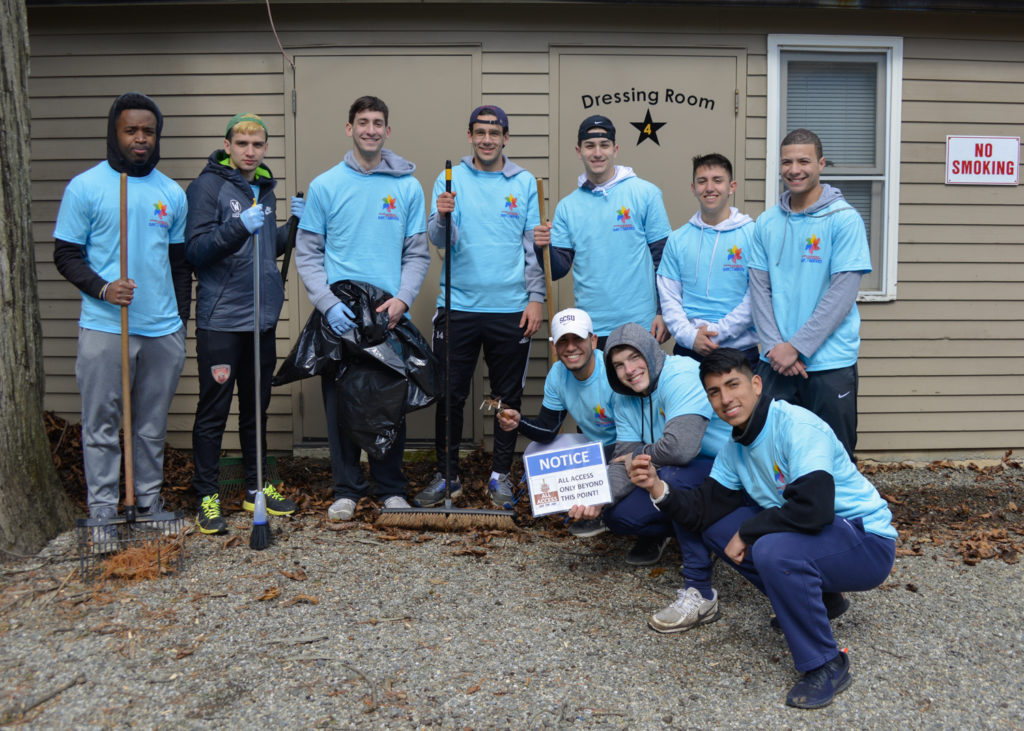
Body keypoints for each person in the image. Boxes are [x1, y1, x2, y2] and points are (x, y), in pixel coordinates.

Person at [629, 347, 896, 709]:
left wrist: (751, 530)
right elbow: (702, 510)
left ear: (756, 384)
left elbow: (814, 509)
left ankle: (827, 663)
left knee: (772, 550)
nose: (725, 399)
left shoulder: (796, 426)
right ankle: (820, 599)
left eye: (732, 385)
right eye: (714, 392)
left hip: (864, 540)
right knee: (716, 527)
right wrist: (657, 488)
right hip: (821, 538)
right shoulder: (735, 447)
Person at [52, 92, 190, 534]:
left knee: (150, 425)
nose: (140, 139)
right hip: (105, 326)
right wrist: (104, 288)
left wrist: (180, 322)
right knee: (101, 425)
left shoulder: (170, 193)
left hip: (161, 330)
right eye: (131, 130)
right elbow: (66, 254)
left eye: (148, 131)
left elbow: (179, 265)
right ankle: (104, 512)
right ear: (115, 133)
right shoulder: (86, 187)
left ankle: (148, 503)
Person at [295, 95, 428, 521]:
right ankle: (346, 489)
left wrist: (403, 298)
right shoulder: (326, 185)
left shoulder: (407, 186)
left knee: (388, 398)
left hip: (387, 311)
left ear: (388, 131)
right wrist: (327, 303)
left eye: (378, 123)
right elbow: (309, 251)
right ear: (349, 129)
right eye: (363, 122)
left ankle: (390, 488)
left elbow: (418, 254)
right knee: (340, 401)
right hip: (341, 313)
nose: (370, 129)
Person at [412, 105, 543, 509]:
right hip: (458, 306)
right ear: (469, 136)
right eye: (480, 131)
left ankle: (500, 476)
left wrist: (536, 298)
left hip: (510, 308)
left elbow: (532, 248)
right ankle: (447, 477)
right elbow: (437, 238)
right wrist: (442, 215)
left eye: (495, 132)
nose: (487, 139)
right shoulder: (450, 179)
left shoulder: (523, 183)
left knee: (507, 397)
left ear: (506, 137)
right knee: (450, 393)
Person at [185, 112, 304, 534]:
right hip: (222, 321)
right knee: (214, 410)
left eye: (258, 145)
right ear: (228, 146)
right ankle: (208, 495)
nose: (250, 151)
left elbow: (263, 249)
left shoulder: (265, 190)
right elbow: (196, 251)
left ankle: (256, 487)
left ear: (266, 148)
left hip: (261, 321)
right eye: (242, 144)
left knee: (257, 409)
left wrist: (290, 228)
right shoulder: (208, 186)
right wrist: (239, 225)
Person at [749, 128, 870, 459]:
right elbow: (759, 289)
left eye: (804, 161)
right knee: (772, 451)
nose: (794, 169)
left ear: (821, 163)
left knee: (834, 454)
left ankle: (837, 512)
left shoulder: (844, 220)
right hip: (774, 362)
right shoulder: (767, 222)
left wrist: (798, 347)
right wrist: (776, 347)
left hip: (829, 363)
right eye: (787, 161)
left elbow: (842, 294)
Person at [580, 323, 730, 568]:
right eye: (619, 365)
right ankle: (695, 530)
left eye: (634, 357)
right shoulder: (623, 397)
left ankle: (701, 562)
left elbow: (680, 449)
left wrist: (636, 455)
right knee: (618, 516)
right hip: (674, 471)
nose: (629, 370)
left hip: (723, 469)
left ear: (650, 351)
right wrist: (597, 497)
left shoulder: (681, 375)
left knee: (672, 476)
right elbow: (622, 460)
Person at [533, 115, 672, 345]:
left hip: (640, 323)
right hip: (590, 327)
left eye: (604, 145)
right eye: (590, 146)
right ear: (579, 151)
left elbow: (663, 259)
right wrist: (542, 247)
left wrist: (662, 312)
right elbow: (557, 270)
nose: (597, 153)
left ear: (615, 149)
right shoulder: (568, 206)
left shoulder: (646, 193)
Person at [495, 307, 615, 535]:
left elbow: (636, 437)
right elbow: (548, 430)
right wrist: (518, 422)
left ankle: (602, 510)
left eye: (578, 339)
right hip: (595, 447)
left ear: (593, 340)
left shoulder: (611, 371)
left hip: (626, 449)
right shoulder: (558, 374)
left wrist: (592, 465)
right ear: (554, 346)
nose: (570, 348)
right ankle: (580, 507)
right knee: (534, 452)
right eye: (563, 341)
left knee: (604, 463)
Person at [658, 153, 758, 365]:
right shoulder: (678, 239)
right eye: (702, 181)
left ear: (732, 187)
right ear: (693, 188)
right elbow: (669, 297)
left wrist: (716, 332)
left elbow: (757, 295)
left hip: (739, 351)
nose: (709, 188)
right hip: (688, 349)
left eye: (717, 180)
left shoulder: (753, 235)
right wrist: (691, 337)